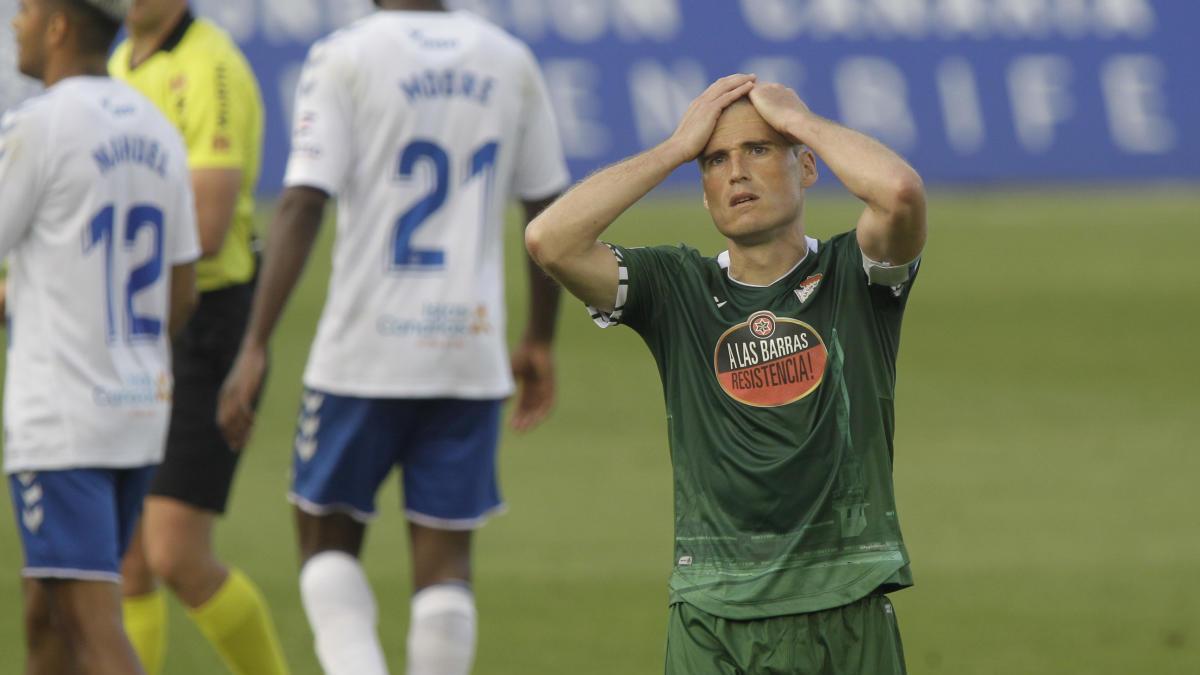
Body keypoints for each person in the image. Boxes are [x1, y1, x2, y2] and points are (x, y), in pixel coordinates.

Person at [524, 74, 927, 674]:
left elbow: (899, 192)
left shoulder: (855, 275)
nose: (735, 171)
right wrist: (673, 150)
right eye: (715, 161)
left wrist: (800, 120)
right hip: (713, 612)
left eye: (759, 149)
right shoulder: (677, 288)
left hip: (845, 597)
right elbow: (548, 240)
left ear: (807, 167)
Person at [217, 1, 569, 673]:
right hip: (468, 350)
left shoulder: (344, 56)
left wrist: (256, 339)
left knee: (324, 537)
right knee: (446, 561)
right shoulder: (508, 60)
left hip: (364, 352)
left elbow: (302, 200)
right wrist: (539, 338)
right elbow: (546, 207)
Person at [1, 0, 200, 671]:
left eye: (25, 12)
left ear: (58, 26)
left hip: (62, 421)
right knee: (46, 613)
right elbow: (181, 291)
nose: (14, 25)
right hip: (135, 413)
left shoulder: (39, 127)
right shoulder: (158, 129)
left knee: (90, 624)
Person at [105, 2, 289, 673]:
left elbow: (207, 229)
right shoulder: (122, 61)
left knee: (175, 552)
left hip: (205, 319)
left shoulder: (210, 66)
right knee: (124, 554)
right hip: (136, 322)